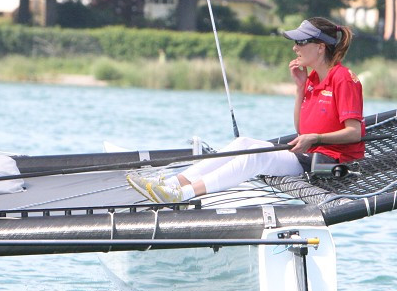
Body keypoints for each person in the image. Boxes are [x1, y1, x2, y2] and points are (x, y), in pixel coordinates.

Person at [128, 17, 364, 203]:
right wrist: (300, 88)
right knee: (244, 144)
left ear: (320, 47)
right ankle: (171, 184)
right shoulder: (311, 79)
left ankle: (185, 194)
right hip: (306, 155)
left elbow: (354, 133)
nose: (294, 48)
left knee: (256, 156)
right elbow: (301, 129)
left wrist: (317, 138)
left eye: (301, 42)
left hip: (328, 163)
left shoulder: (343, 79)